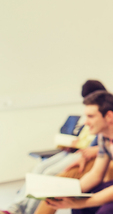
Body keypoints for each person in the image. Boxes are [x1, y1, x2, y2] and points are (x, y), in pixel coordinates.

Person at [33, 69, 113, 214]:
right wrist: (66, 194)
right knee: (79, 204)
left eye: (91, 116)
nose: (86, 122)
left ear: (109, 116)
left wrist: (80, 203)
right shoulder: (105, 135)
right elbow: (95, 175)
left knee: (107, 210)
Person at [1, 80, 104, 214]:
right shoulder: (91, 115)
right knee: (38, 168)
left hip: (84, 152)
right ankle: (15, 208)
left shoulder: (102, 113)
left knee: (48, 174)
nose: (86, 120)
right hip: (74, 149)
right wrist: (73, 143)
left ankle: (28, 211)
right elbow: (85, 135)